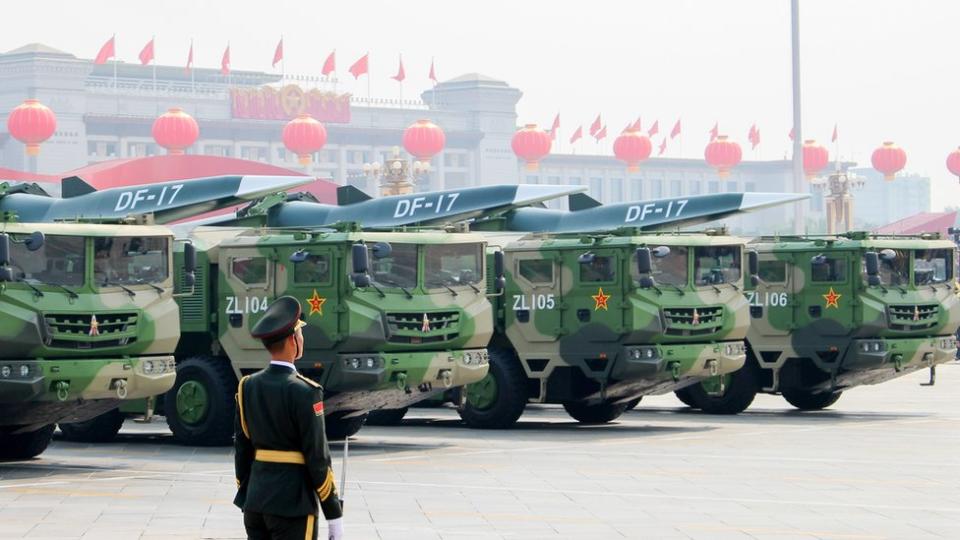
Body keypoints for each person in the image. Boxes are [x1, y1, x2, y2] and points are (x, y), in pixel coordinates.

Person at [234, 296, 344, 540]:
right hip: (292, 506)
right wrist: (333, 514)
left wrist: (247, 494)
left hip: (255, 503)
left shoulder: (247, 386)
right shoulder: (306, 391)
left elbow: (242, 448)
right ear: (293, 340)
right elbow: (317, 458)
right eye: (300, 333)